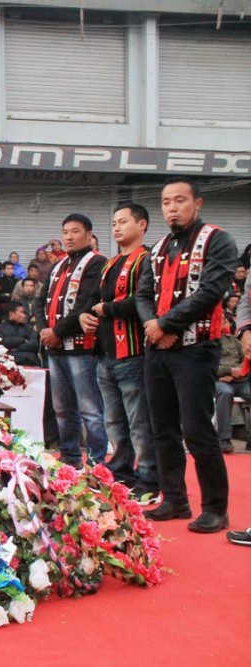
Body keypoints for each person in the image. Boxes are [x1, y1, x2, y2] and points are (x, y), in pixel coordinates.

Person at [137, 177, 237, 533]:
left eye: (180, 200)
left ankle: (215, 507)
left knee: (197, 430)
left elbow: (211, 291)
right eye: (166, 202)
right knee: (161, 428)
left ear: (198, 203)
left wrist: (164, 325)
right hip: (158, 349)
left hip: (196, 349)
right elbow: (142, 294)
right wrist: (153, 325)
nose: (172, 208)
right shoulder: (159, 246)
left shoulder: (218, 240)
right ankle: (174, 499)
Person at [82, 202, 157, 500]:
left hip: (133, 350)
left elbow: (144, 301)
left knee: (138, 421)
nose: (116, 227)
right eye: (114, 222)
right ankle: (123, 472)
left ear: (142, 225)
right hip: (105, 352)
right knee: (113, 420)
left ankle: (149, 478)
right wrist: (86, 316)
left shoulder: (147, 259)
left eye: (123, 221)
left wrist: (105, 309)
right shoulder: (111, 263)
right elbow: (93, 301)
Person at [33, 213, 107, 469]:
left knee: (90, 410)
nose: (69, 237)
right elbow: (40, 300)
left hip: (81, 348)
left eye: (75, 231)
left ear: (88, 235)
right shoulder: (59, 265)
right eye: (65, 232)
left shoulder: (97, 262)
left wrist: (56, 332)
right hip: (54, 348)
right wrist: (44, 330)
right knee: (62, 409)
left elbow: (87, 303)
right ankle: (70, 458)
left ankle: (97, 463)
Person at [214, 327, 248, 454]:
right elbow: (206, 365)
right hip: (217, 380)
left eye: (225, 320)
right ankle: (224, 439)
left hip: (239, 380)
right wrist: (228, 371)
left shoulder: (234, 341)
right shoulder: (208, 342)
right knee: (225, 393)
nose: (224, 323)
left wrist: (236, 373)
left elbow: (246, 359)